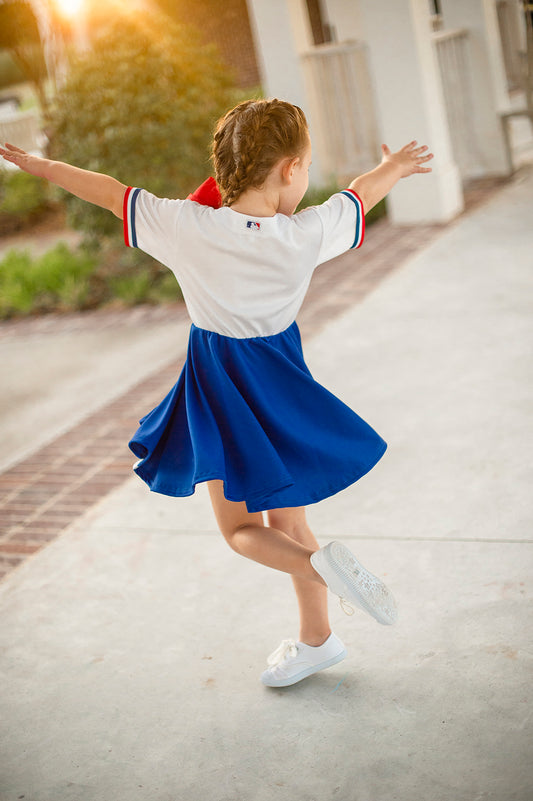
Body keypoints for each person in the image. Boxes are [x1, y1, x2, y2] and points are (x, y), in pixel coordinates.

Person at [0, 98, 433, 688]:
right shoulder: (305, 234)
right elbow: (360, 195)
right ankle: (318, 641)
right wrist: (398, 167)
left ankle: (320, 571)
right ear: (288, 169)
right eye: (305, 166)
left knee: (240, 532)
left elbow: (108, 192)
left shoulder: (185, 225)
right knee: (290, 520)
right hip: (282, 385)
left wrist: (42, 166)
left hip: (223, 388)